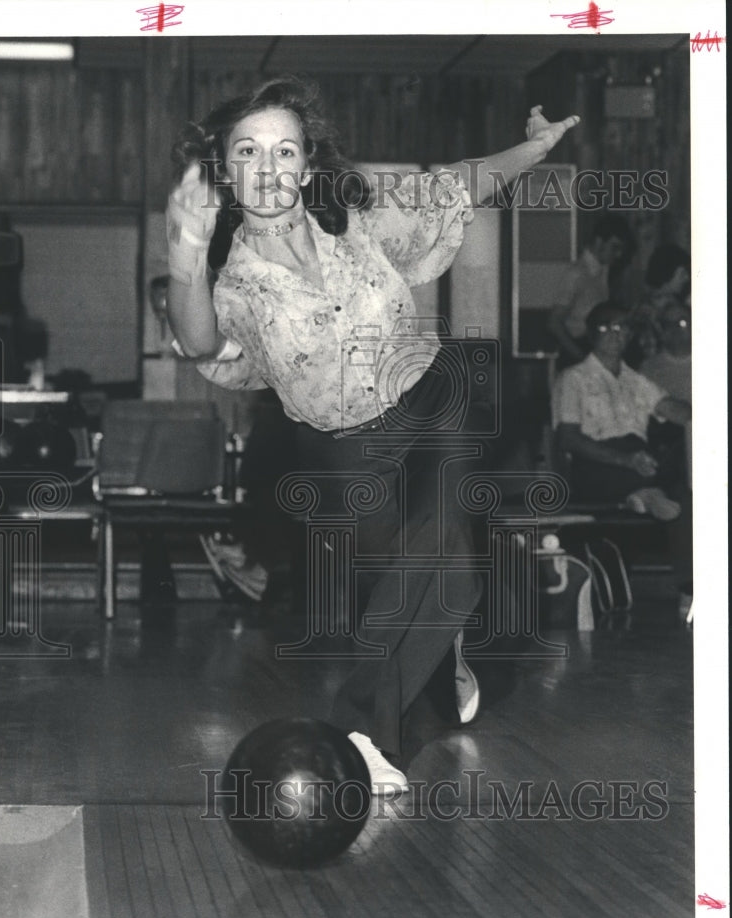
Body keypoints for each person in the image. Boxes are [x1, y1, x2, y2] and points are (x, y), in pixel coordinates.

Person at [166, 76, 579, 794]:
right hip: (344, 451)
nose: (269, 170)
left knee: (446, 543)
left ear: (307, 163)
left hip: (427, 403)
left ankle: (363, 733)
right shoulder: (233, 284)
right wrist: (183, 253)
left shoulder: (361, 226)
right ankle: (442, 665)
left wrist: (534, 148)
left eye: (285, 150)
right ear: (225, 170)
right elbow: (199, 342)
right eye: (248, 152)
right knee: (444, 582)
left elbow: (456, 186)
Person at [552, 302, 691, 517]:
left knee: (685, 457)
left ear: (630, 335)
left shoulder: (636, 380)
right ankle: (647, 495)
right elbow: (568, 439)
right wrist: (625, 459)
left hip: (642, 458)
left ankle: (646, 496)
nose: (614, 335)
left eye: (621, 328)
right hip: (598, 461)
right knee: (653, 481)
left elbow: (672, 409)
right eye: (605, 328)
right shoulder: (573, 378)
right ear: (591, 334)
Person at [547, 214, 633, 367]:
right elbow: (555, 323)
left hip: (596, 347)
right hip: (577, 350)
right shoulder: (577, 273)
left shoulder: (604, 271)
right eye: (614, 247)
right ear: (599, 242)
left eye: (621, 249)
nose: (618, 255)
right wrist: (580, 356)